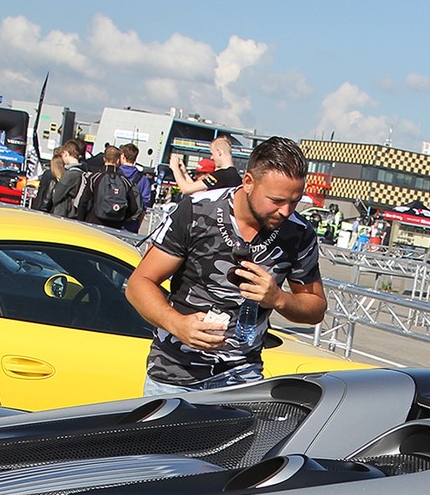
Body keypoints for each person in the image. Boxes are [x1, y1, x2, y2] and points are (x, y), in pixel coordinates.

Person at [127, 136, 327, 395]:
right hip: (174, 375)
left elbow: (316, 308)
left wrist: (278, 299)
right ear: (248, 182)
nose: (286, 211)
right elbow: (138, 284)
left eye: (295, 201)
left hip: (242, 378)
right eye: (276, 200)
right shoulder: (196, 211)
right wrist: (177, 324)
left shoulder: (298, 233)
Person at [171, 134, 242, 195]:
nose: (211, 157)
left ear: (219, 152)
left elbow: (186, 189)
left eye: (212, 153)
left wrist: (175, 168)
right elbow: (198, 193)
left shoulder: (222, 175)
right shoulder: (233, 176)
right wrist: (184, 173)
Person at [34, 140, 85, 216]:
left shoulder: (69, 174)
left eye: (63, 154)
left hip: (62, 213)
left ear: (66, 154)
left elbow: (56, 197)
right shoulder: (82, 172)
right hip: (73, 213)